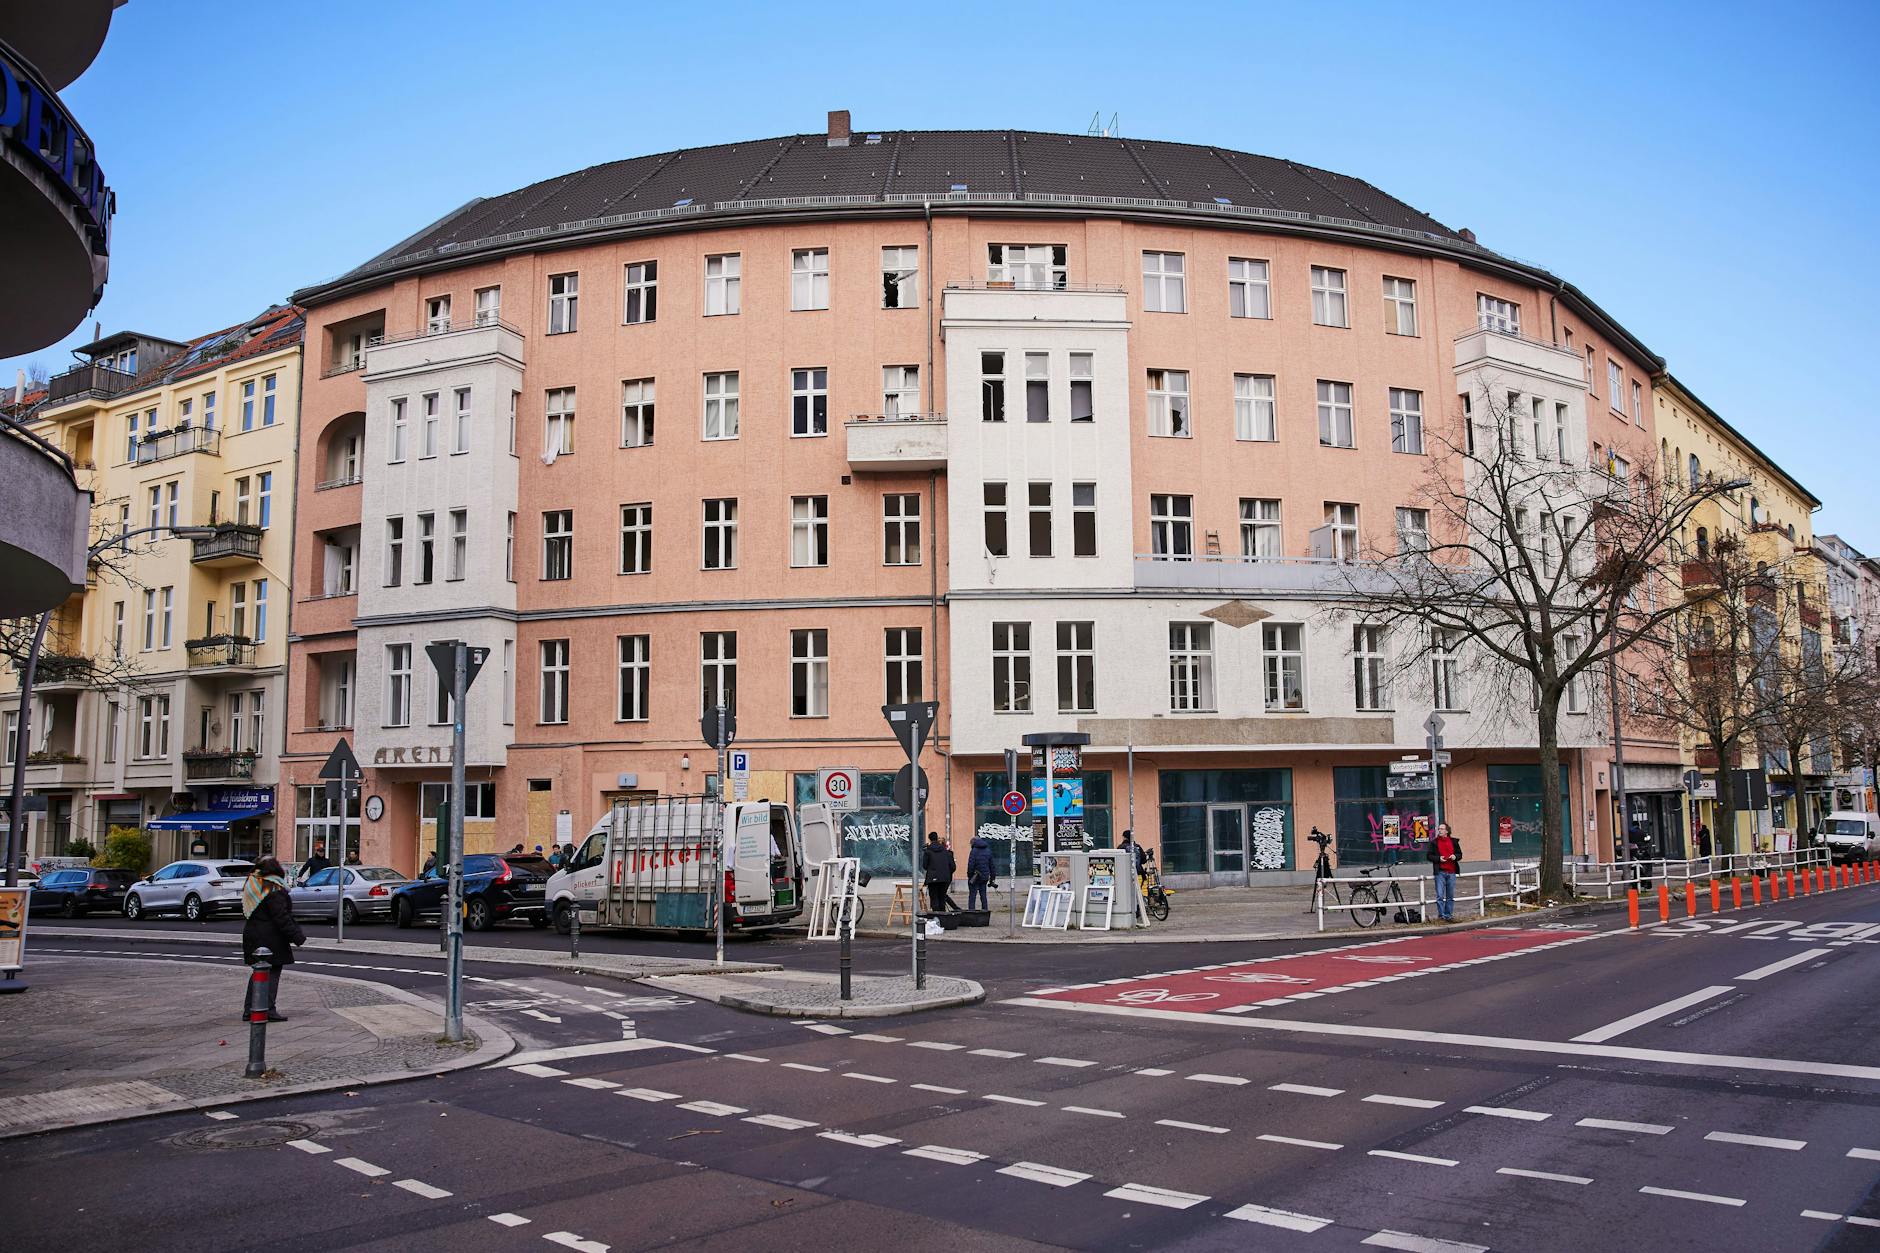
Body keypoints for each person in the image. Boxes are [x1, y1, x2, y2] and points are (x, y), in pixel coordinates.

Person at [241, 856, 305, 1022]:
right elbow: (281, 916)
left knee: (258, 972)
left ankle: (250, 1009)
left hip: (253, 933)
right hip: (270, 937)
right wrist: (297, 936)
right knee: (272, 973)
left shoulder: (254, 882)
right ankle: (268, 1009)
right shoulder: (273, 887)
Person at [1425, 822, 1462, 923]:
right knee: (1440, 895)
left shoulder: (1454, 842)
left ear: (1447, 831)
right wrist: (1438, 858)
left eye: (1442, 829)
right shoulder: (1434, 843)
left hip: (1451, 872)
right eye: (1439, 829)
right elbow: (1429, 856)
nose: (1439, 831)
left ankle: (1448, 915)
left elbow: (1459, 854)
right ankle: (1441, 915)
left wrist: (1455, 856)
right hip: (1440, 872)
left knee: (1450, 896)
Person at [922, 832, 957, 913]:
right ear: (937, 838)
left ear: (929, 839)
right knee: (942, 898)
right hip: (944, 878)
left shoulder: (928, 851)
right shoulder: (945, 851)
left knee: (934, 898)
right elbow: (952, 866)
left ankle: (936, 918)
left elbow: (925, 866)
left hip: (933, 878)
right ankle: (943, 918)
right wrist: (947, 873)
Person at [965, 832, 994, 912]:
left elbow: (971, 865)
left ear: (973, 843)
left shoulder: (974, 851)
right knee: (983, 896)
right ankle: (985, 911)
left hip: (975, 876)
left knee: (972, 896)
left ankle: (971, 912)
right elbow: (992, 866)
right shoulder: (988, 851)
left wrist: (969, 876)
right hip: (984, 877)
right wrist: (992, 878)